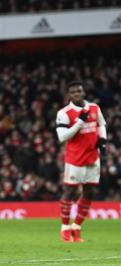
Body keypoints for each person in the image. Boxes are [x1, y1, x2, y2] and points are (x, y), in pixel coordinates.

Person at [56, 80, 107, 242]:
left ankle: (77, 226)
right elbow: (62, 137)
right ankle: (64, 227)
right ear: (69, 95)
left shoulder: (94, 107)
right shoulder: (64, 113)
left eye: (79, 91)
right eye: (73, 92)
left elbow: (101, 124)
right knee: (70, 192)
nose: (77, 94)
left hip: (93, 156)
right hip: (75, 159)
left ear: (83, 92)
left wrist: (103, 140)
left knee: (89, 192)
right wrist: (79, 122)